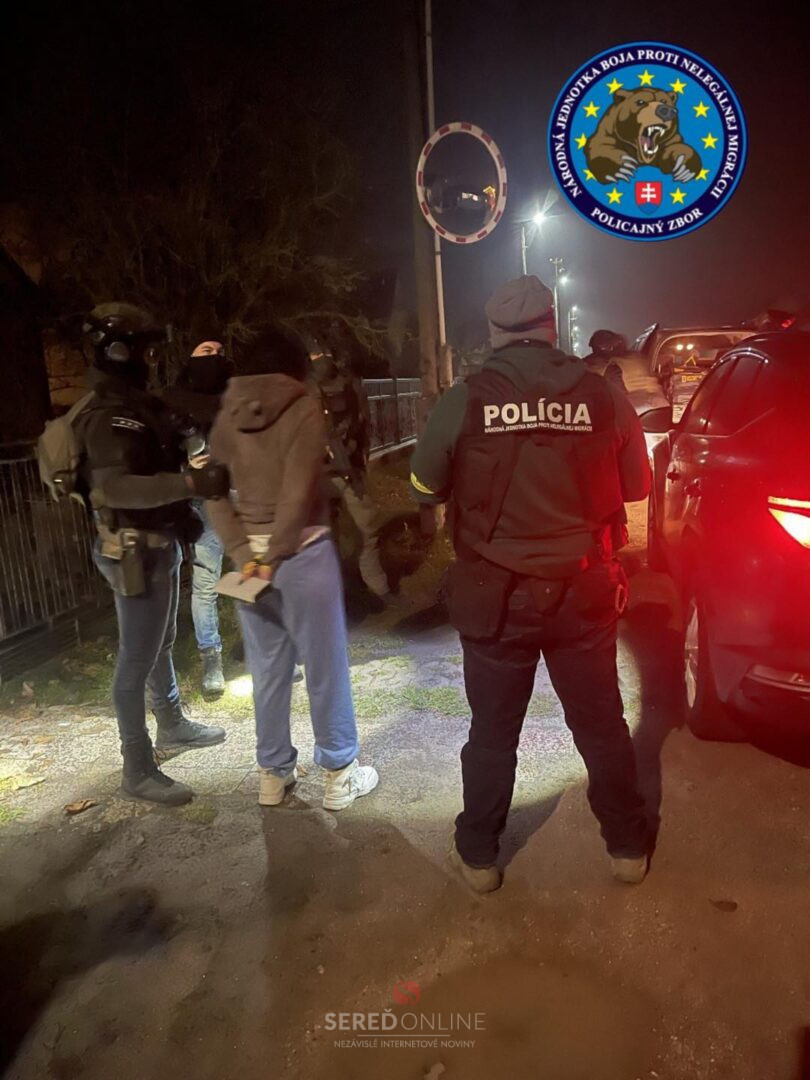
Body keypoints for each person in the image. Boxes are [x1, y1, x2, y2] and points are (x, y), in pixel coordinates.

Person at [410, 276, 651, 893]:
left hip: (496, 598)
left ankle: (479, 857)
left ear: (495, 333)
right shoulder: (603, 396)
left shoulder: (464, 400)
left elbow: (423, 485)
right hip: (583, 593)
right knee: (601, 726)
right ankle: (627, 847)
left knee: (492, 736)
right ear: (552, 324)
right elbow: (637, 487)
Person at [206, 327, 379, 810]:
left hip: (251, 564)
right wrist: (277, 553)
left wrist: (244, 553)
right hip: (303, 554)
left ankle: (273, 773)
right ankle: (340, 773)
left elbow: (211, 489)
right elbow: (298, 490)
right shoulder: (302, 406)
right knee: (325, 667)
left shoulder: (226, 413)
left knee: (267, 670)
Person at [79, 303, 229, 806]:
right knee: (136, 659)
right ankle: (137, 767)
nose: (151, 359)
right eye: (145, 350)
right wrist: (188, 484)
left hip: (157, 542)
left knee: (160, 642)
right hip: (132, 549)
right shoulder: (109, 416)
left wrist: (185, 434)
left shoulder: (135, 404)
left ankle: (171, 724)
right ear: (122, 352)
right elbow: (115, 488)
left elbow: (178, 445)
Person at [163, 333, 232, 697]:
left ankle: (270, 648)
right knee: (206, 583)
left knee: (258, 573)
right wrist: (187, 465)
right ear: (190, 356)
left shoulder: (235, 393)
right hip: (205, 501)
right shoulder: (174, 401)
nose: (215, 357)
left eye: (219, 351)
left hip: (242, 495)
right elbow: (160, 454)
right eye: (206, 350)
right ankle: (211, 659)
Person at [307, 330, 390, 599]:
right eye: (314, 355)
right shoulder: (301, 390)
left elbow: (364, 423)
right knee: (324, 536)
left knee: (367, 529)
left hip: (350, 471)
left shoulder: (350, 385)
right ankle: (335, 592)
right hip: (318, 475)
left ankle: (377, 588)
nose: (320, 360)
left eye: (323, 354)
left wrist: (358, 452)